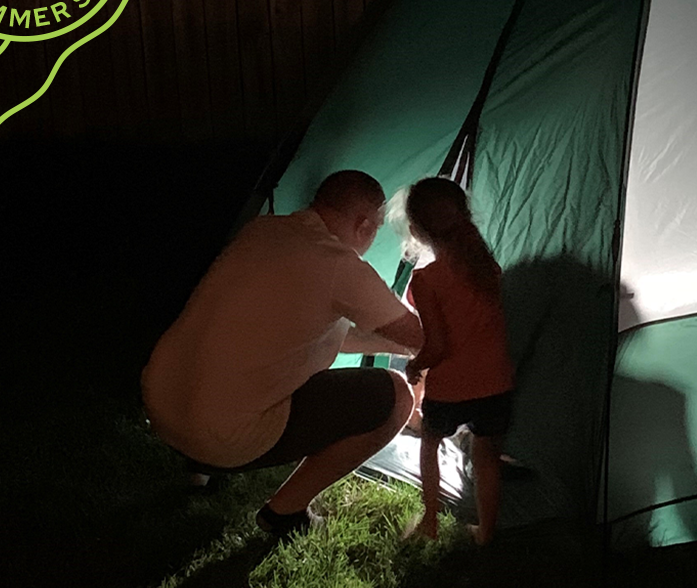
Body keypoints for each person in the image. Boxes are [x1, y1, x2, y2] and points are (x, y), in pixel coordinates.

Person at [141, 170, 424, 542]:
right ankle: (283, 513)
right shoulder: (339, 265)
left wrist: (390, 344)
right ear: (364, 225)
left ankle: (199, 470)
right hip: (224, 437)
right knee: (395, 396)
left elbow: (315, 337)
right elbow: (421, 337)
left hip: (159, 405)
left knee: (238, 354)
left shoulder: (263, 230)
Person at [402, 177, 514, 545]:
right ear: (465, 215)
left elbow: (437, 346)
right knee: (487, 459)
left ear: (416, 228)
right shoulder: (488, 268)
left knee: (430, 445)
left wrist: (415, 365)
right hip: (497, 382)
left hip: (451, 387)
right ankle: (487, 533)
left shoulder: (426, 279)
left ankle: (430, 523)